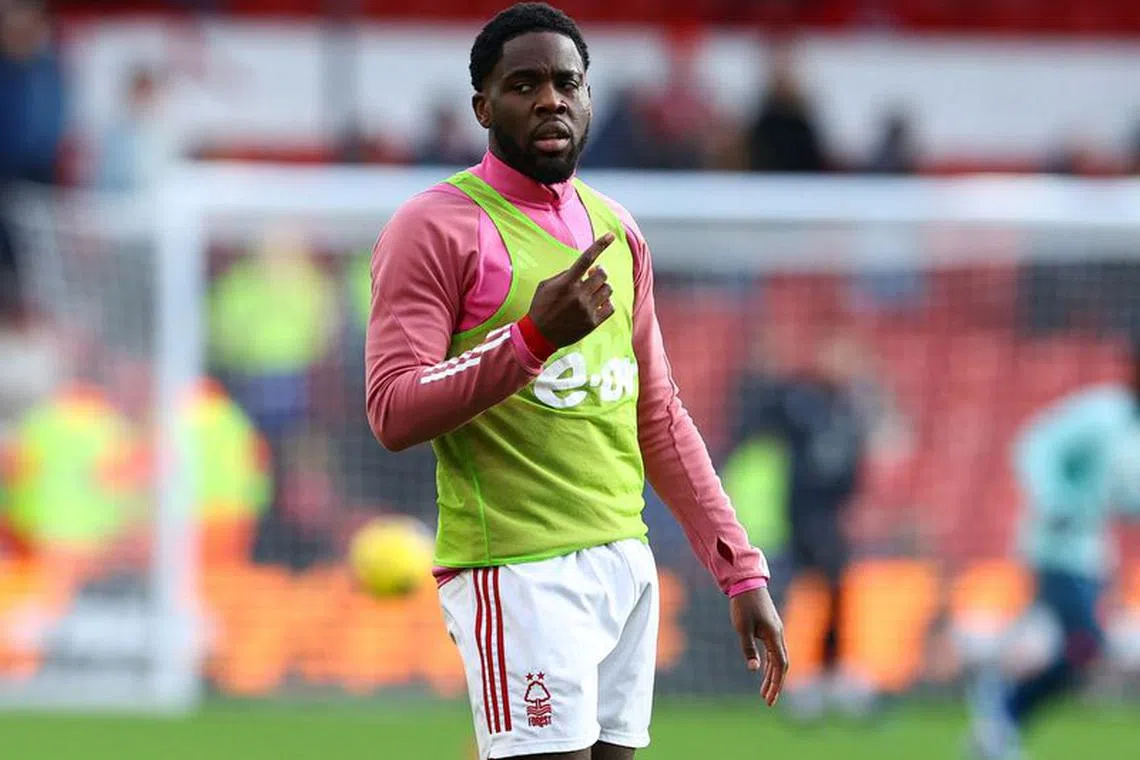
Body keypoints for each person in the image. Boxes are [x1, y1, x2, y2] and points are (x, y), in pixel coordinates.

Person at [364, 5, 788, 759]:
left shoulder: (618, 230)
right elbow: (393, 409)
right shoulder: (434, 228)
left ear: (589, 98)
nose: (549, 100)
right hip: (517, 568)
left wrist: (739, 570)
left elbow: (657, 415)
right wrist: (532, 338)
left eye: (567, 83)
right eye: (524, 84)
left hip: (624, 562)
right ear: (483, 106)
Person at [969, 347, 1140, 760]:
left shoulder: (1130, 431)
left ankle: (1000, 714)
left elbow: (1120, 494)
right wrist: (1055, 499)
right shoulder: (1103, 413)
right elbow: (1035, 444)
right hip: (1056, 550)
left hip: (1090, 556)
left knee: (1079, 648)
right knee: (1085, 644)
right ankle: (1000, 696)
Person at [730, 331, 869, 719]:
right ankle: (799, 675)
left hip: (828, 516)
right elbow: (759, 419)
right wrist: (761, 370)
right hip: (797, 515)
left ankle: (825, 673)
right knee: (799, 592)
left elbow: (852, 468)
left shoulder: (847, 411)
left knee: (831, 592)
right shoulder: (801, 401)